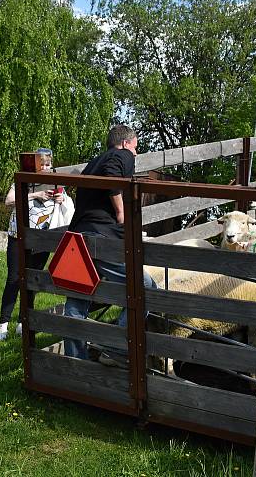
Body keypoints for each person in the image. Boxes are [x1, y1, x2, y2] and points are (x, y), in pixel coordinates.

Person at [63, 125, 158, 364]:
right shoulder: (120, 155)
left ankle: (76, 362)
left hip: (79, 235)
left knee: (77, 301)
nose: (135, 154)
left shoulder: (93, 161)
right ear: (126, 143)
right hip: (100, 236)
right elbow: (112, 174)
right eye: (136, 148)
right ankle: (115, 349)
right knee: (146, 288)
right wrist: (120, 213)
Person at [0, 148, 74, 341]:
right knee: (14, 279)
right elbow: (8, 200)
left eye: (49, 164)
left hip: (42, 240)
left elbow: (66, 206)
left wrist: (61, 198)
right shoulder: (25, 179)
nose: (46, 168)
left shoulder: (57, 181)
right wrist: (36, 194)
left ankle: (24, 321)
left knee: (32, 281)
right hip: (19, 238)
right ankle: (3, 324)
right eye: (43, 164)